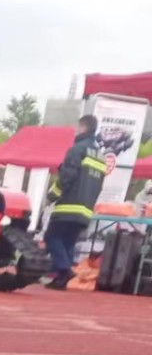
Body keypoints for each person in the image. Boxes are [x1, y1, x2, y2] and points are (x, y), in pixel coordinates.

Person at [44, 114, 107, 290]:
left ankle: (64, 270)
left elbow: (67, 177)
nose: (75, 131)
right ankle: (61, 279)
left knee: (52, 237)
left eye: (77, 127)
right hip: (86, 208)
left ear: (83, 127)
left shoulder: (77, 150)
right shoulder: (101, 157)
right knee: (68, 242)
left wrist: (52, 195)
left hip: (68, 205)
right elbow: (99, 184)